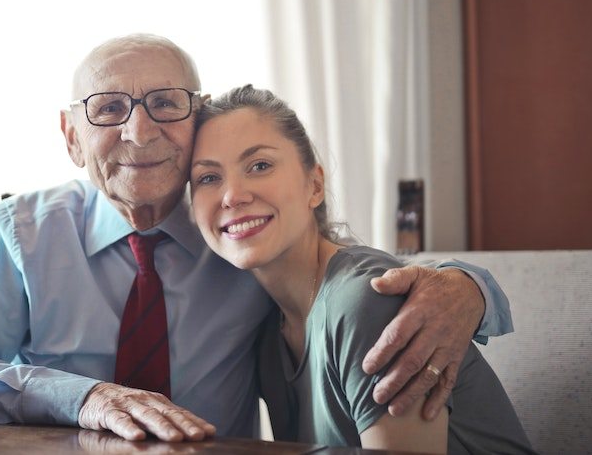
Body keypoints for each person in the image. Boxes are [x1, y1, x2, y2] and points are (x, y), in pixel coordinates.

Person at [0, 34, 514, 443]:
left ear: (194, 121)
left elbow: (351, 280)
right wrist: (84, 397)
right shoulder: (24, 236)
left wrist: (469, 288)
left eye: (164, 103)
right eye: (107, 109)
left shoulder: (238, 234)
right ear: (72, 137)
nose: (138, 130)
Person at [189, 84, 534, 453]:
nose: (232, 195)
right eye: (209, 177)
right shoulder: (269, 334)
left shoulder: (365, 302)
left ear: (315, 185)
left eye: (260, 165)